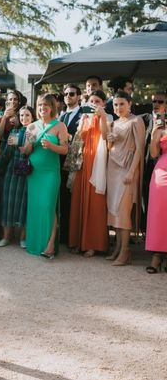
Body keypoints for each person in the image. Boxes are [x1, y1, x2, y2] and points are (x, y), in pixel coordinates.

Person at [23, 93, 69, 258]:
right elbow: (26, 152)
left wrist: (51, 146)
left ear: (52, 107)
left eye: (46, 105)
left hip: (50, 172)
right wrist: (28, 142)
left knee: (48, 206)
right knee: (35, 207)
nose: (42, 108)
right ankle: (34, 243)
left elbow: (65, 150)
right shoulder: (32, 126)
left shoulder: (60, 126)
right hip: (34, 172)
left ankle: (50, 246)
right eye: (40, 105)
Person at [67, 91, 112, 257]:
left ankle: (93, 243)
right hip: (82, 162)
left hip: (97, 163)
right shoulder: (84, 118)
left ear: (104, 103)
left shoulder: (108, 118)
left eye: (97, 101)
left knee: (95, 202)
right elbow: (78, 140)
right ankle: (78, 241)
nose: (94, 103)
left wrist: (101, 116)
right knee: (79, 200)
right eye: (91, 101)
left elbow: (106, 137)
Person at [106, 91, 145, 266]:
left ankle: (125, 251)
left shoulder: (136, 121)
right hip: (113, 168)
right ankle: (117, 248)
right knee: (114, 211)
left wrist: (131, 171)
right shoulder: (113, 123)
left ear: (129, 104)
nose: (118, 107)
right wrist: (110, 139)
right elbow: (110, 148)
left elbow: (139, 149)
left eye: (122, 104)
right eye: (115, 105)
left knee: (123, 211)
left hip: (127, 169)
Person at [0, 105, 34, 248]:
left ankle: (22, 238)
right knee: (8, 202)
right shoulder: (14, 131)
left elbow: (36, 153)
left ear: (32, 117)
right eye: (22, 115)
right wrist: (8, 145)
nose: (24, 118)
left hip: (30, 172)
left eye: (27, 115)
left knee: (24, 204)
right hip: (12, 171)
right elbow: (6, 155)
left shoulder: (36, 131)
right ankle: (6, 237)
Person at [58, 84, 83, 245]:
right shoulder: (61, 116)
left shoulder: (83, 115)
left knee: (72, 200)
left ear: (79, 96)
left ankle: (71, 237)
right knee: (61, 199)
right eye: (66, 94)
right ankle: (62, 234)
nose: (68, 96)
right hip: (58, 161)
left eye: (72, 94)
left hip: (76, 162)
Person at [145, 107, 167, 273]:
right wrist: (154, 135)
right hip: (162, 173)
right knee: (159, 214)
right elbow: (153, 154)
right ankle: (157, 256)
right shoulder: (161, 128)